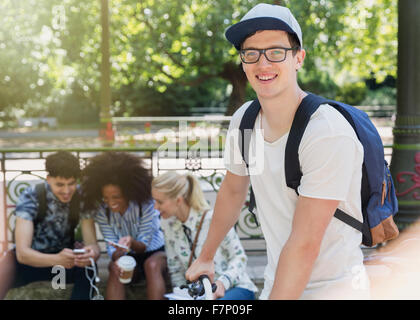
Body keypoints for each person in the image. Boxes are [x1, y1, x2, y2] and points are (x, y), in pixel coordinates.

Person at [186, 3, 370, 299]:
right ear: (243, 62)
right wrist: (206, 256)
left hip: (333, 289)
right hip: (278, 283)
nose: (262, 64)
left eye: (276, 52)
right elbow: (233, 191)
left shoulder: (325, 132)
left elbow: (304, 243)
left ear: (298, 58)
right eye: (251, 53)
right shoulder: (245, 120)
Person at [0, 151, 101, 300]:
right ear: (48, 179)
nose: (67, 191)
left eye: (71, 184)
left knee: (89, 268)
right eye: (60, 185)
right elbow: (22, 254)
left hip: (61, 267)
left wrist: (91, 253)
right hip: (31, 263)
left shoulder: (81, 198)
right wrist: (56, 259)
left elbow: (93, 244)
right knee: (8, 262)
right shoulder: (32, 196)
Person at [152, 171, 258, 300]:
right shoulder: (167, 226)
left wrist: (222, 283)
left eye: (160, 202)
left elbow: (240, 259)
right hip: (202, 295)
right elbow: (176, 270)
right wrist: (182, 296)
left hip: (236, 288)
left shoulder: (213, 220)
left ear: (178, 200)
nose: (155, 207)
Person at [81, 151, 167, 300]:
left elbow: (144, 245)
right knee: (114, 268)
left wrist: (131, 242)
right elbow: (111, 248)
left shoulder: (146, 205)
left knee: (151, 265)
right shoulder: (102, 211)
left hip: (154, 252)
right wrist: (118, 254)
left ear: (128, 193)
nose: (110, 202)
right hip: (127, 257)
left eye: (116, 197)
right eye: (106, 197)